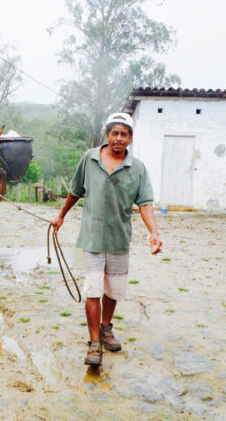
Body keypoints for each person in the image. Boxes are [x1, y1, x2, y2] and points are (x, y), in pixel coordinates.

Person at [51, 112, 162, 367]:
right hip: (92, 237)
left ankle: (105, 328)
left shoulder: (137, 168)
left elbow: (144, 203)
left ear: (130, 139)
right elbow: (75, 192)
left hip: (119, 238)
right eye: (115, 133)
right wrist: (61, 216)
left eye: (124, 134)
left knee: (112, 290)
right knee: (93, 289)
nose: (119, 138)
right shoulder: (89, 159)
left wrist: (154, 233)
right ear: (107, 135)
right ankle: (93, 344)